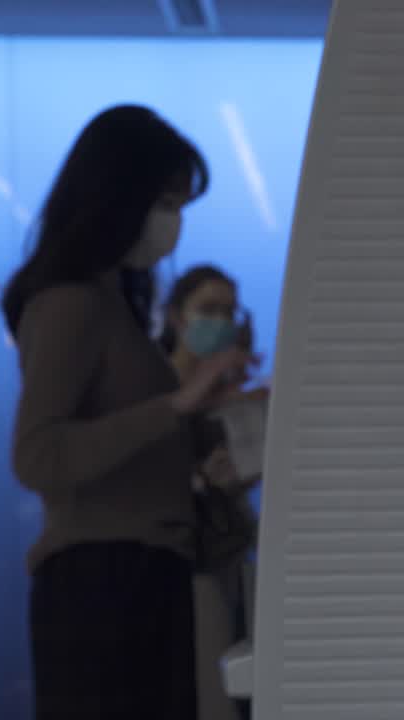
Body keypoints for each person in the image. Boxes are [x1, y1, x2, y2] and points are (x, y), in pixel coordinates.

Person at [3, 105, 251, 720]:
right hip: (102, 585)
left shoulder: (114, 305)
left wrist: (205, 418)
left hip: (145, 577)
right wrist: (176, 404)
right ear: (120, 196)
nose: (172, 226)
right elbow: (39, 455)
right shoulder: (69, 304)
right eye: (165, 204)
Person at [160, 265, 261, 720]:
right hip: (184, 568)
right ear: (177, 317)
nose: (219, 322)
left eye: (227, 311)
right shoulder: (157, 390)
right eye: (207, 310)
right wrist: (198, 478)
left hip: (230, 555)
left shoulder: (230, 392)